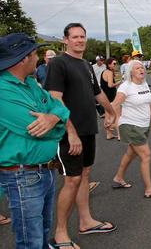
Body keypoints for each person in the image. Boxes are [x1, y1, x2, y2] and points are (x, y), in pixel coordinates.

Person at [0, 33, 81, 249]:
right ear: (23, 58)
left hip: (42, 171)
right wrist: (58, 123)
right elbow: (37, 131)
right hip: (22, 175)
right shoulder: (3, 90)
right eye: (34, 53)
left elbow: (59, 108)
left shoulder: (30, 83)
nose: (37, 58)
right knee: (30, 240)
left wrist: (53, 117)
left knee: (42, 231)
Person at [44, 23, 118, 247]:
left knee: (85, 174)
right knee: (72, 179)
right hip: (70, 132)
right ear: (65, 40)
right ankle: (59, 234)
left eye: (82, 36)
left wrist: (111, 111)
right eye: (74, 37)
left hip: (88, 129)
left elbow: (97, 92)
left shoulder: (85, 64)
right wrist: (71, 132)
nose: (79, 40)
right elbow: (55, 99)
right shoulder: (58, 63)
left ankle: (85, 221)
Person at [111, 60, 151, 199]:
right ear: (130, 72)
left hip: (143, 125)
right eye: (137, 68)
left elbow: (149, 102)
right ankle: (149, 189)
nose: (141, 70)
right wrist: (114, 120)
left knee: (131, 153)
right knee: (146, 155)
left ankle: (118, 178)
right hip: (130, 125)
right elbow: (115, 104)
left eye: (142, 67)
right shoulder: (125, 87)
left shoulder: (144, 84)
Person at [101, 57, 121, 140]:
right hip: (111, 97)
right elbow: (110, 85)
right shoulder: (109, 72)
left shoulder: (104, 72)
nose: (115, 65)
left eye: (116, 63)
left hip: (106, 97)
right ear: (109, 64)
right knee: (117, 115)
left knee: (107, 116)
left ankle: (109, 134)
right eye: (114, 63)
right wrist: (118, 83)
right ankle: (120, 135)